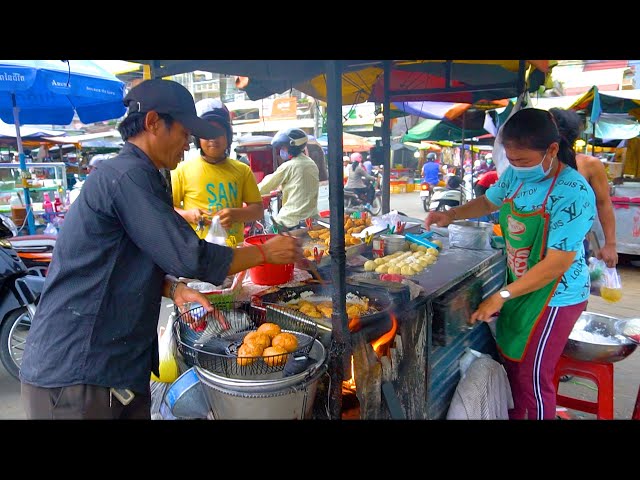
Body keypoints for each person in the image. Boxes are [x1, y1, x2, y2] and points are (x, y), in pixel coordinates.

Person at [19, 79, 302, 420]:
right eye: (184, 133)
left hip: (110, 370)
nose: (188, 145)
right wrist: (264, 253)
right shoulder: (127, 177)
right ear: (153, 122)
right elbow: (191, 256)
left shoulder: (141, 176)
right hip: (79, 372)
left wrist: (173, 288)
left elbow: (119, 259)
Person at [425, 108, 596, 420]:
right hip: (521, 287)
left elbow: (557, 263)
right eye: (511, 160)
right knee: (515, 366)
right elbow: (490, 201)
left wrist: (500, 296)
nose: (516, 167)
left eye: (524, 161)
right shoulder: (514, 177)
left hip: (557, 295)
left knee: (533, 377)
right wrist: (450, 215)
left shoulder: (573, 192)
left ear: (553, 150)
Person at [171, 98, 263, 243]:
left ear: (228, 137)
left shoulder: (242, 170)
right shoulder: (181, 170)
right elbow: (169, 210)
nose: (213, 138)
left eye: (219, 132)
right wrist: (189, 215)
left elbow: (257, 210)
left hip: (234, 253)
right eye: (206, 132)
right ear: (197, 139)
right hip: (198, 252)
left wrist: (235, 214)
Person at [549, 107, 618, 267]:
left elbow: (603, 203)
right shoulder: (535, 165)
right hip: (535, 242)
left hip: (574, 246)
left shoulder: (589, 164)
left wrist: (610, 244)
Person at [257, 127, 319, 229]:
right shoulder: (311, 163)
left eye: (284, 147)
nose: (281, 151)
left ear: (292, 148)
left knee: (268, 238)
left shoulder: (289, 166)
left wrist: (247, 193)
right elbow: (299, 184)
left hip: (290, 220)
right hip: (311, 219)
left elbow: (264, 187)